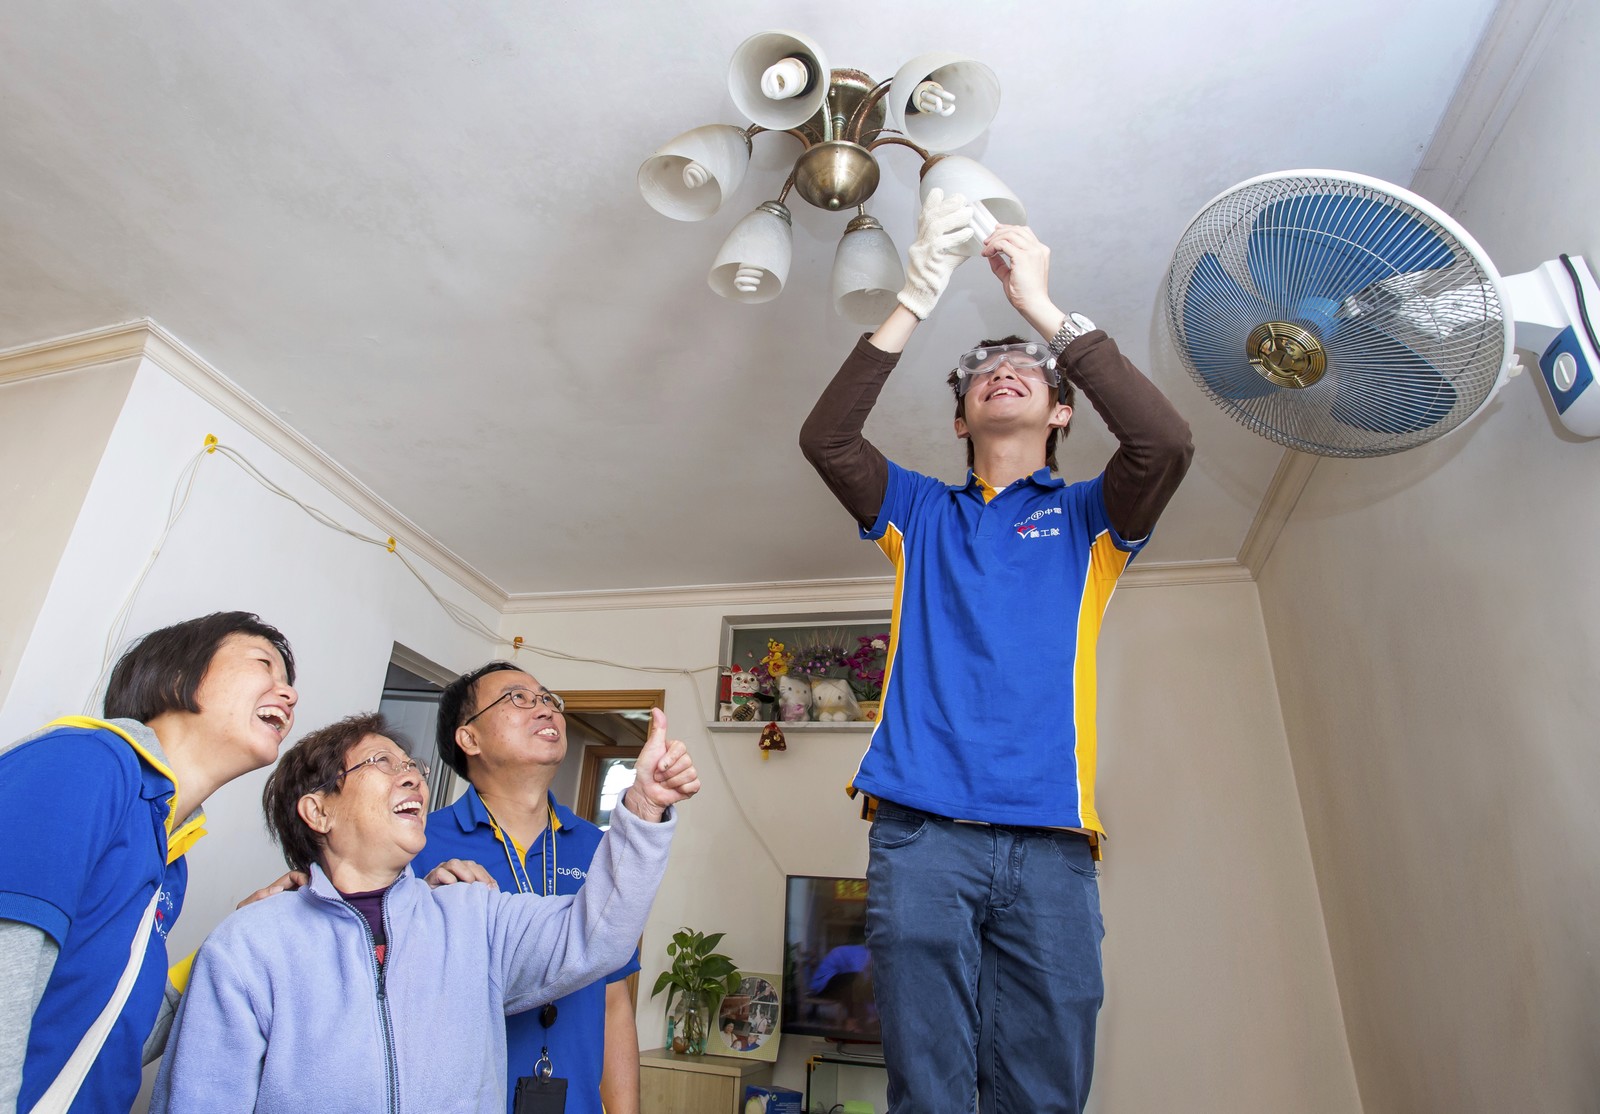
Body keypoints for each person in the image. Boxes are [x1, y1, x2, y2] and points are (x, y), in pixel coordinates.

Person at [799, 189, 1193, 1113]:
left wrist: (1043, 312)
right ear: (958, 420)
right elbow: (827, 438)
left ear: (1062, 411)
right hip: (921, 835)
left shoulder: (1089, 520)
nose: (1003, 369)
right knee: (929, 1091)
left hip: (1054, 844)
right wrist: (920, 290)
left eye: (1028, 369)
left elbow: (1164, 441)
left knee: (1044, 1093)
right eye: (981, 370)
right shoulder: (919, 514)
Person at [151, 708, 697, 1112]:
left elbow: (597, 936)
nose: (413, 775)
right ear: (318, 810)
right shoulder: (250, 944)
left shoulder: (475, 917)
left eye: (411, 764)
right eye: (381, 763)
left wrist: (643, 810)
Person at [0, 611, 299, 1114]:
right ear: (179, 677)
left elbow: (110, 1041)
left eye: (289, 685)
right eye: (264, 665)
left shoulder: (169, 857)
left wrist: (228, 943)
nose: (288, 695)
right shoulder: (85, 761)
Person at [412, 662, 643, 1114]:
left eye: (547, 699)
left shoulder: (600, 849)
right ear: (469, 738)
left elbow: (614, 1002)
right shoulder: (418, 844)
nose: (544, 709)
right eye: (518, 698)